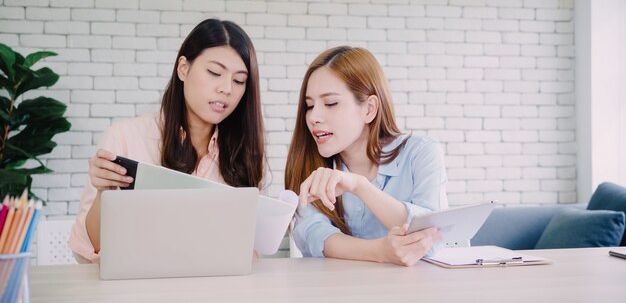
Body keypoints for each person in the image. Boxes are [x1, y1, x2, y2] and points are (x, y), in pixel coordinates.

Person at [70, 19, 265, 263]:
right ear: (183, 68)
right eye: (215, 72)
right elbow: (87, 252)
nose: (227, 88)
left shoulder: (243, 153)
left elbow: (250, 254)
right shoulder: (124, 138)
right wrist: (103, 194)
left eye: (239, 80)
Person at [285, 46, 448, 266]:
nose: (313, 117)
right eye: (309, 105)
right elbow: (312, 235)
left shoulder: (421, 152)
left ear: (369, 109)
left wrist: (360, 186)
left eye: (330, 103)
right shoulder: (311, 164)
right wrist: (379, 251)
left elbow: (433, 235)